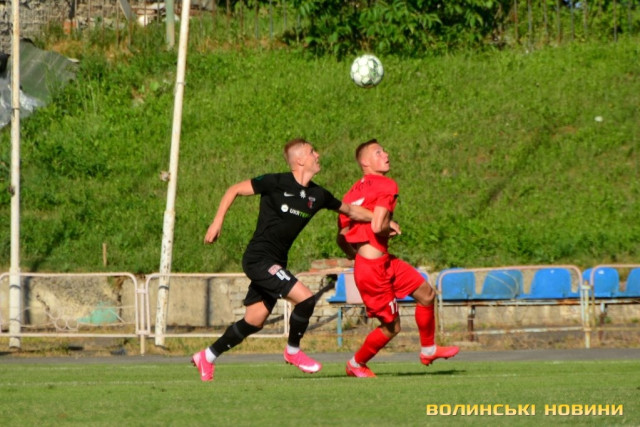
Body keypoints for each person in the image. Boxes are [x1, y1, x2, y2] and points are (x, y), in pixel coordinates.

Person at [192, 138, 375, 382]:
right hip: (259, 258)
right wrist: (217, 222)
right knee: (306, 298)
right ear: (299, 160)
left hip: (276, 262)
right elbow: (234, 189)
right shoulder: (275, 182)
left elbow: (350, 210)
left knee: (254, 320)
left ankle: (207, 356)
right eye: (312, 152)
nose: (318, 155)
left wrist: (380, 219)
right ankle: (293, 351)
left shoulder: (318, 195)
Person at [337, 139, 459, 377]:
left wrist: (357, 257)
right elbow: (377, 225)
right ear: (365, 162)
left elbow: (342, 237)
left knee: (426, 294)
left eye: (384, 150)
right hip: (374, 269)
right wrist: (389, 226)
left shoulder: (350, 194)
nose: (386, 154)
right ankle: (356, 364)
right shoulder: (386, 184)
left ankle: (429, 349)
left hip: (381, 263)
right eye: (378, 152)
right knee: (391, 327)